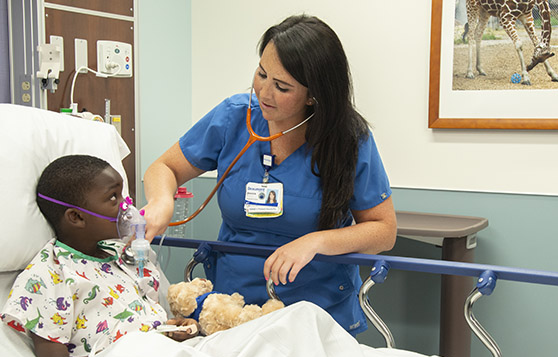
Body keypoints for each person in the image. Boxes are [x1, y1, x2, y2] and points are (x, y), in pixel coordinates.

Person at [142, 14, 396, 336]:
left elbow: (383, 230)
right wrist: (161, 200)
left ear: (314, 95)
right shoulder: (235, 117)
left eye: (282, 86)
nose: (264, 92)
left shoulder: (346, 139)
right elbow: (164, 168)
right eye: (262, 74)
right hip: (233, 308)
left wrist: (315, 242)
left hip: (317, 311)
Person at [0, 155, 198, 357]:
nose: (127, 207)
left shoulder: (125, 256)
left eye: (124, 194)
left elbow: (144, 320)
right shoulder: (49, 276)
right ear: (76, 217)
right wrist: (133, 352)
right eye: (114, 197)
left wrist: (171, 330)